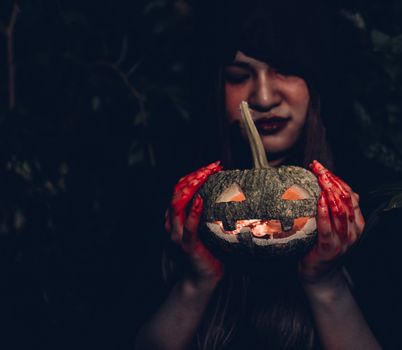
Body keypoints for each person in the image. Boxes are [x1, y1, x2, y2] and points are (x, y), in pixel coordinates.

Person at [136, 1, 381, 349]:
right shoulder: (167, 199)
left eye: (285, 69)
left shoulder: (366, 204)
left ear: (316, 80)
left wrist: (327, 285)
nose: (263, 97)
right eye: (238, 76)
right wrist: (195, 282)